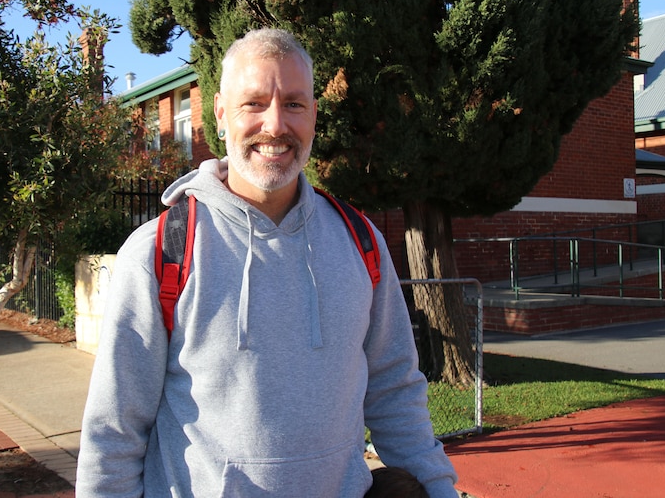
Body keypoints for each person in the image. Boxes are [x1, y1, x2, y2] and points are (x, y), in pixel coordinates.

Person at [76, 28, 459, 497]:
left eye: (294, 104)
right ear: (220, 114)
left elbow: (395, 393)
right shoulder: (161, 252)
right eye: (254, 103)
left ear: (314, 115)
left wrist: (440, 491)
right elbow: (113, 434)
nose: (275, 124)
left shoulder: (362, 243)